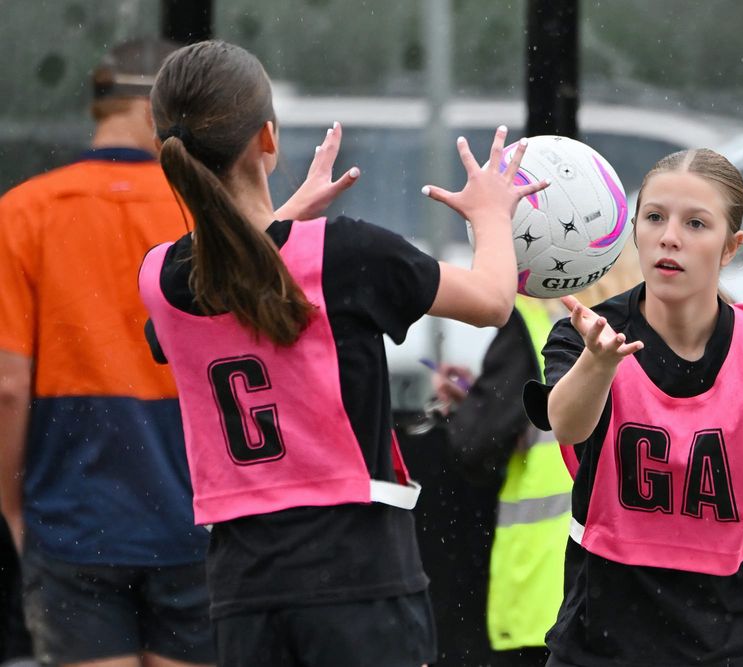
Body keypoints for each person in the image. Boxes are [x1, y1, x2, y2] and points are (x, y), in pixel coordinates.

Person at [137, 40, 546, 667]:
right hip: (357, 579)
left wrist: (287, 219)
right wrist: (491, 214)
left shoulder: (161, 279)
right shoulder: (344, 255)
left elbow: (233, 283)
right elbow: (493, 299)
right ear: (267, 140)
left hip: (242, 590)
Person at [523, 149, 743, 667]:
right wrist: (597, 364)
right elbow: (568, 425)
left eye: (695, 223)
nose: (669, 237)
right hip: (605, 642)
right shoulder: (590, 332)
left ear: (729, 248)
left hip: (740, 640)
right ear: (634, 229)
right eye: (655, 217)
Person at [0, 38, 218, 667]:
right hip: (194, 514)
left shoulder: (24, 212)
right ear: (162, 110)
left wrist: (14, 507)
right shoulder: (205, 215)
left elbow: (9, 385)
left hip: (74, 517)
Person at [429, 245, 643, 667]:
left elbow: (475, 444)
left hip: (547, 592)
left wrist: (469, 409)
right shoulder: (645, 331)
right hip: (635, 589)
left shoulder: (535, 327)